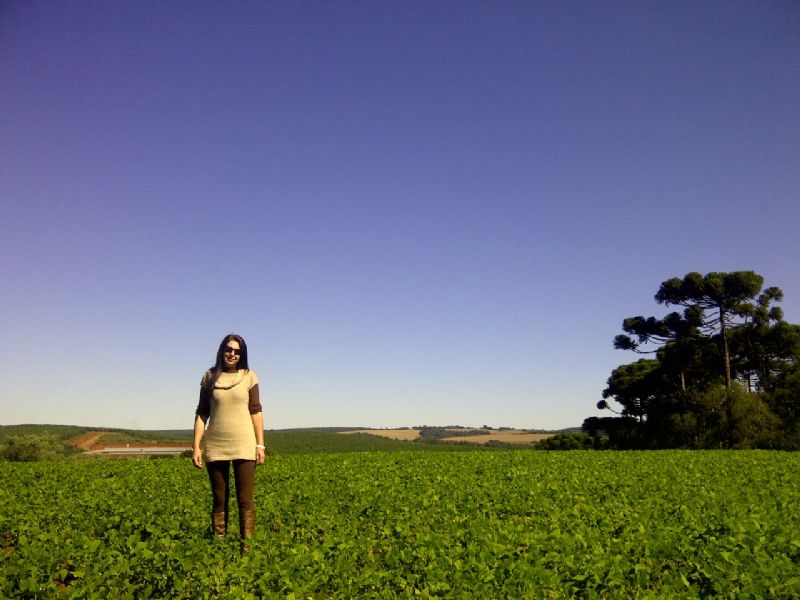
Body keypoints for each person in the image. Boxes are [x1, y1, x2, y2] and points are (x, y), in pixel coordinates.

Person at [193, 334, 265, 552]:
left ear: (242, 354)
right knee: (219, 498)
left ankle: (247, 548)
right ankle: (220, 547)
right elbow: (201, 413)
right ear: (222, 351)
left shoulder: (249, 376)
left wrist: (260, 445)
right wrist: (196, 446)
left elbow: (256, 411)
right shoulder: (209, 377)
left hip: (244, 443)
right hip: (215, 444)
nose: (232, 354)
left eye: (237, 351)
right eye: (229, 349)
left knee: (245, 498)